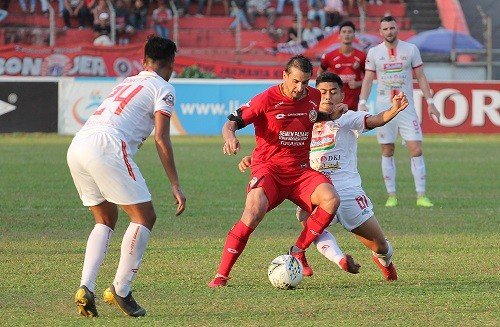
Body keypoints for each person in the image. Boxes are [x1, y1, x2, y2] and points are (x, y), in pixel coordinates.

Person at [239, 73, 409, 280]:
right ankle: (336, 259)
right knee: (305, 217)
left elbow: (373, 120)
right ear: (313, 95)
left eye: (333, 92)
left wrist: (393, 110)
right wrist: (253, 158)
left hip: (348, 191)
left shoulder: (348, 118)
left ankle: (385, 262)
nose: (327, 97)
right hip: (315, 187)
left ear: (341, 95)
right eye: (322, 92)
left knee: (380, 245)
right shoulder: (304, 119)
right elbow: (280, 148)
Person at [67, 36, 186, 317]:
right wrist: (175, 183)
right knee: (145, 217)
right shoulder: (164, 87)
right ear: (171, 64)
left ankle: (86, 286)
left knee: (105, 219)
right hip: (108, 145)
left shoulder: (126, 82)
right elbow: (161, 137)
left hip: (79, 143)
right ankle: (121, 290)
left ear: (144, 62)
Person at [208, 55, 348, 287]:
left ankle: (298, 250)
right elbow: (231, 122)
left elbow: (315, 116)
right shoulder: (266, 99)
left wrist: (332, 115)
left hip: (301, 172)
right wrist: (230, 137)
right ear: (284, 76)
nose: (300, 88)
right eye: (295, 81)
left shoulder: (313, 97)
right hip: (269, 170)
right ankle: (221, 276)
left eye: (305, 82)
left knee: (331, 200)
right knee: (252, 212)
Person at [359, 15, 441, 207]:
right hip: (383, 108)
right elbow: (368, 79)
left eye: (392, 28)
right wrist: (362, 101)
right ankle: (391, 196)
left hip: (406, 107)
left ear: (397, 29)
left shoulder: (411, 49)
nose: (389, 32)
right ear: (380, 32)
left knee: (416, 148)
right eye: (385, 29)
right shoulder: (374, 53)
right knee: (387, 149)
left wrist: (430, 102)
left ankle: (421, 195)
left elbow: (420, 76)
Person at [318, 20, 366, 112]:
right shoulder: (329, 56)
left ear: (354, 35)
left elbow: (368, 78)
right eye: (344, 32)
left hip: (355, 102)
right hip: (334, 102)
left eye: (349, 32)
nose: (347, 35)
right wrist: (327, 86)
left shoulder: (362, 56)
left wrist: (358, 83)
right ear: (339, 35)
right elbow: (320, 72)